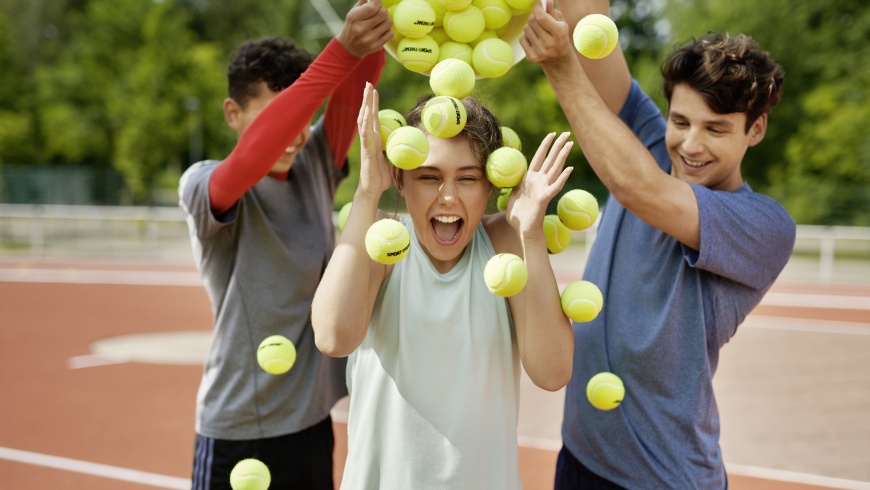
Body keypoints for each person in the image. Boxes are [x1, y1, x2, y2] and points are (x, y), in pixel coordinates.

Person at [520, 1, 796, 488]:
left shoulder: (764, 226)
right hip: (581, 456)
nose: (690, 144)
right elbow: (590, 25)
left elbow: (641, 188)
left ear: (755, 129)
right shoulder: (649, 141)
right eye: (681, 121)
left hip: (663, 477)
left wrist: (559, 64)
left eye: (716, 129)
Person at [310, 84, 575, 488]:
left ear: (490, 186)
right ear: (400, 181)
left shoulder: (508, 241)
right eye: (428, 177)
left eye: (467, 179)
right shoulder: (383, 236)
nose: (448, 196)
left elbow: (553, 372)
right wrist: (366, 193)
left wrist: (533, 234)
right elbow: (332, 336)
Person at [177, 1, 393, 487]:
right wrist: (338, 53)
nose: (297, 132)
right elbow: (257, 153)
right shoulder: (203, 182)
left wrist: (381, 19)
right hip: (239, 426)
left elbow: (362, 80)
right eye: (279, 111)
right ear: (232, 113)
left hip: (309, 421)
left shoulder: (314, 163)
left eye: (303, 114)